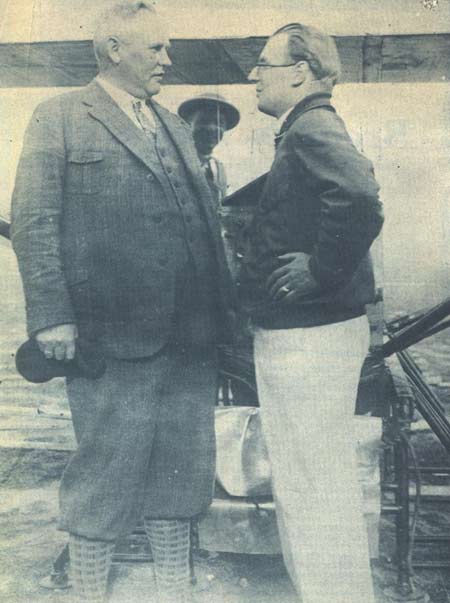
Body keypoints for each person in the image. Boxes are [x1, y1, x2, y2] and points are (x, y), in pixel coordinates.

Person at [11, 2, 233, 602]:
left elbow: (205, 231)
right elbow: (34, 221)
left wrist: (225, 324)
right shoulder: (58, 116)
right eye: (157, 48)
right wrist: (52, 316)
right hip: (111, 336)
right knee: (104, 471)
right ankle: (88, 593)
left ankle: (173, 589)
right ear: (114, 48)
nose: (168, 59)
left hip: (191, 337)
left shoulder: (174, 125)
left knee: (181, 471)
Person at [238, 23, 384, 603]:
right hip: (310, 336)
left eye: (264, 63)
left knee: (312, 485)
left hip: (309, 340)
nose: (254, 74)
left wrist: (322, 271)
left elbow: (360, 196)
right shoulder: (304, 127)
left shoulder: (312, 126)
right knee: (307, 481)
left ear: (298, 72)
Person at [178, 93, 240, 205]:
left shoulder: (218, 168)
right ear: (187, 125)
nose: (212, 128)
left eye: (219, 123)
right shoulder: (175, 164)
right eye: (204, 121)